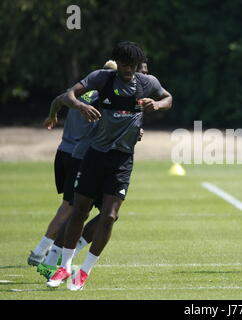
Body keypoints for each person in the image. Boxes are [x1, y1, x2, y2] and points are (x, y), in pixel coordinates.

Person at [47, 41, 172, 290]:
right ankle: (64, 266)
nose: (129, 69)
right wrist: (81, 105)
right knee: (80, 211)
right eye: (125, 64)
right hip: (95, 155)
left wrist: (157, 105)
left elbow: (168, 98)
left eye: (133, 65)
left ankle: (84, 271)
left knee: (110, 216)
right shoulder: (102, 78)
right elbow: (70, 94)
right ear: (117, 62)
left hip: (122, 159)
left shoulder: (147, 83)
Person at [26, 60, 117, 268]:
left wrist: (52, 117)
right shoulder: (102, 97)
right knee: (73, 208)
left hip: (63, 152)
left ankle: (54, 250)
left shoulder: (77, 93)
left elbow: (58, 100)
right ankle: (42, 252)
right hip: (83, 157)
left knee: (76, 207)